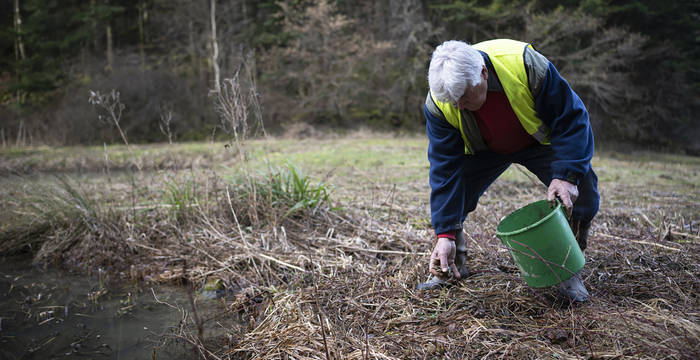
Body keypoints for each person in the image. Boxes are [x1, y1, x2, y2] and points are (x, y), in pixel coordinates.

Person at [417, 39, 600, 302]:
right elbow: (445, 169)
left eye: (465, 97)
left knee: (581, 191)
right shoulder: (441, 101)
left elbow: (571, 118)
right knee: (456, 195)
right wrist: (443, 233)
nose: (458, 106)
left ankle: (569, 274)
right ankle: (451, 266)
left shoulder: (525, 64)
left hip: (538, 141)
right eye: (453, 100)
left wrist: (566, 175)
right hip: (483, 149)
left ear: (483, 73)